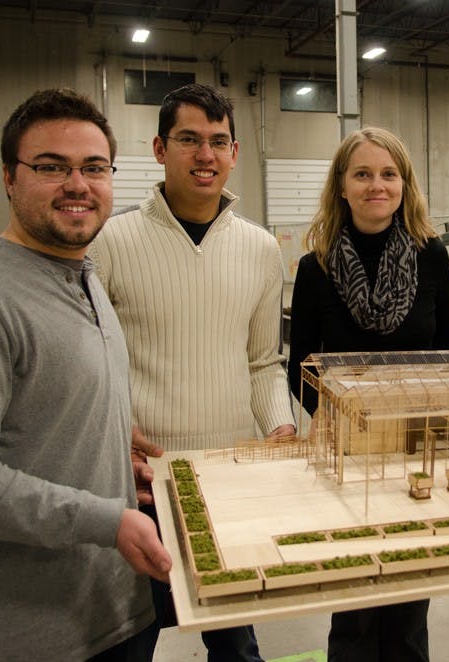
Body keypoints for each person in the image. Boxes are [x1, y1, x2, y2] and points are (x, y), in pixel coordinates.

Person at [0, 88, 171, 661]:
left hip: (113, 614)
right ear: (9, 177)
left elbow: (38, 422)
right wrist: (107, 518)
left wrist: (106, 460)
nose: (78, 184)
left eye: (94, 167)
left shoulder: (83, 276)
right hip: (18, 638)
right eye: (51, 167)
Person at [89, 83, 295, 661]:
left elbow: (262, 362)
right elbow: (91, 369)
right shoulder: (109, 242)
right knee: (129, 644)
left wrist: (278, 426)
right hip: (142, 488)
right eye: (188, 140)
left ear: (234, 153)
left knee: (237, 647)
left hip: (229, 484)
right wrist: (111, 446)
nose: (205, 155)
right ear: (159, 148)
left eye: (217, 141)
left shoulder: (259, 248)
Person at [287, 126, 449, 661]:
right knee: (356, 596)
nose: (376, 185)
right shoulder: (315, 266)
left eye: (389, 174)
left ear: (405, 184)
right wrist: (337, 419)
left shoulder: (431, 255)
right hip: (349, 445)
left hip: (413, 442)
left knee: (410, 591)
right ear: (342, 186)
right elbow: (300, 362)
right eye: (362, 174)